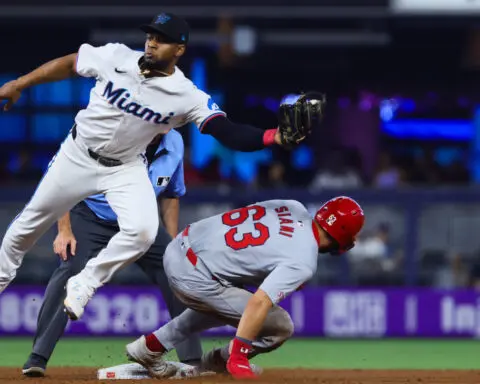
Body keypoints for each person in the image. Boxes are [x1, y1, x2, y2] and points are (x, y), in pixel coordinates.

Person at [0, 12, 291, 321]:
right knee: (22, 233)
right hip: (77, 156)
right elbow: (70, 63)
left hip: (125, 167)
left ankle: (86, 282)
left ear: (179, 49)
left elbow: (226, 130)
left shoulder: (186, 94)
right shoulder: (116, 56)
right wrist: (19, 83)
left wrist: (274, 136)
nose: (152, 43)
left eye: (162, 40)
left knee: (143, 232)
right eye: (151, 36)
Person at [22, 131, 203, 378]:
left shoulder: (174, 142)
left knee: (176, 270)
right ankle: (38, 357)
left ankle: (192, 360)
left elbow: (171, 194)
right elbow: (59, 176)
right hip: (91, 214)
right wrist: (64, 229)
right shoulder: (112, 126)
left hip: (140, 220)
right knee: (71, 268)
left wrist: (171, 245)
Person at [124, 196, 365, 379]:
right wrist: (240, 352)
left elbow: (255, 249)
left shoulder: (293, 206)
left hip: (181, 246)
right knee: (280, 326)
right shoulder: (304, 261)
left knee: (223, 298)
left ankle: (150, 347)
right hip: (194, 275)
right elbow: (258, 302)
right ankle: (221, 360)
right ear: (343, 235)